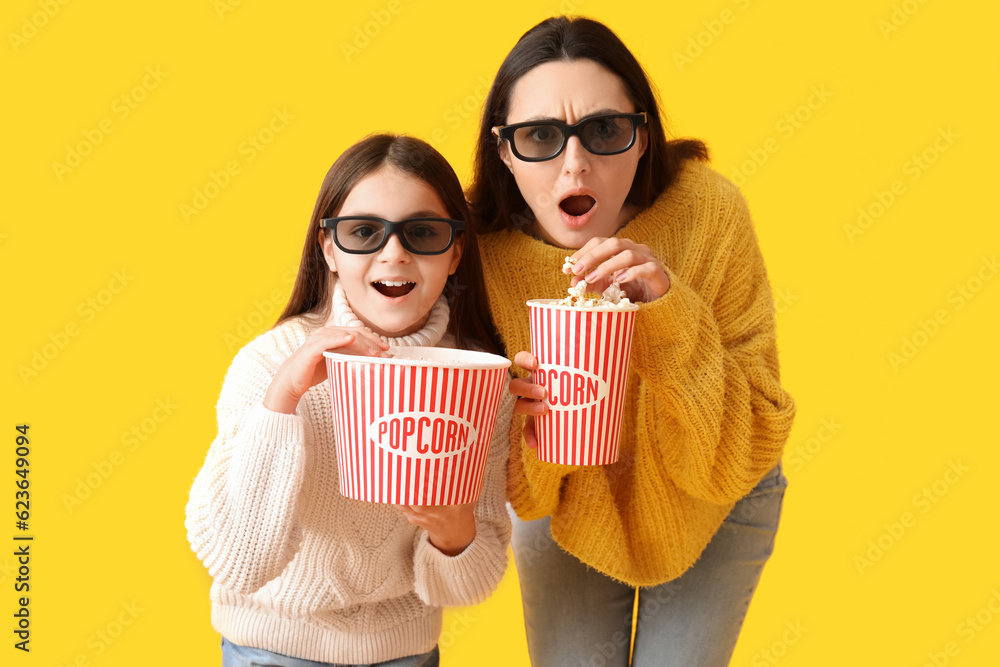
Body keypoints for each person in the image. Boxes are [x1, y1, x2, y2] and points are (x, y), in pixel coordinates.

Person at [468, 16, 796, 667]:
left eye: (604, 130)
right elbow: (524, 494)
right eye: (539, 136)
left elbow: (748, 439)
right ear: (504, 149)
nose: (575, 163)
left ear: (642, 137)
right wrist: (526, 423)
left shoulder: (709, 211)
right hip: (567, 495)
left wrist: (669, 313)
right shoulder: (483, 254)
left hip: (718, 493)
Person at [186, 134, 513, 667]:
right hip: (270, 650)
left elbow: (469, 587)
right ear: (329, 248)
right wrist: (281, 401)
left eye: (422, 232)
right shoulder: (270, 364)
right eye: (364, 231)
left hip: (405, 653)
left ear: (455, 253)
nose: (394, 254)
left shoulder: (479, 381)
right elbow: (237, 562)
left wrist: (458, 537)